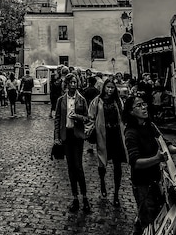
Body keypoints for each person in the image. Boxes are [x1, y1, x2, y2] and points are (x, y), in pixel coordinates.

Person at [123, 94, 176, 235]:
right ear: (131, 111)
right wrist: (157, 159)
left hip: (155, 180)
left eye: (144, 104)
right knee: (148, 222)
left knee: (146, 218)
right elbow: (135, 162)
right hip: (142, 184)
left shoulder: (150, 125)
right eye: (139, 105)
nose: (144, 107)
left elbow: (164, 144)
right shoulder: (131, 132)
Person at [54, 72, 91, 214]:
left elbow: (88, 118)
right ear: (67, 84)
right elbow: (57, 119)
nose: (73, 85)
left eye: (75, 82)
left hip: (77, 136)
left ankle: (85, 197)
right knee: (70, 167)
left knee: (78, 166)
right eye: (71, 82)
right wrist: (56, 137)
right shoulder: (61, 100)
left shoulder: (81, 100)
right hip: (66, 135)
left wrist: (78, 117)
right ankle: (75, 197)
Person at [88, 78, 127, 206]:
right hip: (103, 136)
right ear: (104, 87)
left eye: (112, 88)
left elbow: (123, 117)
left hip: (116, 135)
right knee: (102, 163)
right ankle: (102, 182)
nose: (110, 90)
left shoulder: (118, 101)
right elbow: (91, 117)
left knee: (117, 165)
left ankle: (116, 194)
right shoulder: (97, 101)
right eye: (108, 87)